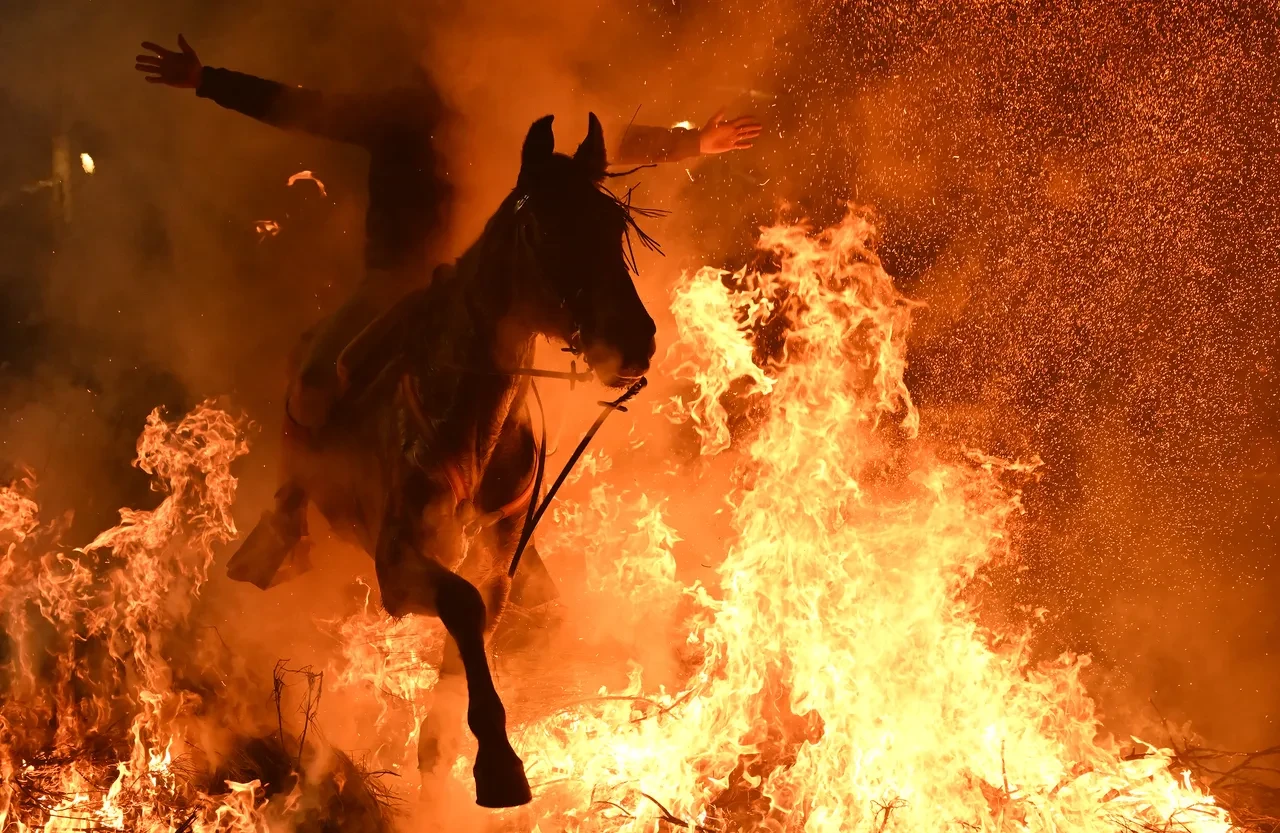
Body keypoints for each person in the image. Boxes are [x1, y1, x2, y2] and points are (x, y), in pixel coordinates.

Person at [134, 35, 762, 594]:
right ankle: (287, 512)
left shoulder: (504, 111)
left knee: (518, 413)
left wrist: (693, 144)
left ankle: (513, 538)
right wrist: (206, 80)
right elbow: (299, 107)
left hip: (477, 294)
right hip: (393, 285)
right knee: (317, 376)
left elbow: (604, 150)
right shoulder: (396, 115)